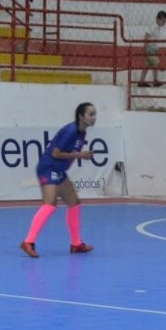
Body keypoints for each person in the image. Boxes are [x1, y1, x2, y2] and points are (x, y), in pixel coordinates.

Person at [20, 103, 98, 258]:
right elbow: (56, 153)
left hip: (59, 170)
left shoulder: (82, 132)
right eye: (91, 114)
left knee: (74, 204)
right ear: (81, 116)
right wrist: (79, 155)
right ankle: (28, 241)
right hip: (48, 168)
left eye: (95, 114)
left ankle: (76, 244)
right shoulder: (71, 131)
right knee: (50, 205)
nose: (94, 117)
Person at [139, 10, 166, 88]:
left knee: (147, 65)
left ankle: (141, 81)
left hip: (151, 48)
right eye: (163, 21)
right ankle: (155, 81)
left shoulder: (157, 28)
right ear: (157, 19)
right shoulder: (154, 27)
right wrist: (147, 48)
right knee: (156, 63)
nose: (164, 23)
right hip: (149, 48)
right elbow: (146, 36)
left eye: (165, 21)